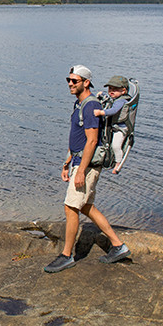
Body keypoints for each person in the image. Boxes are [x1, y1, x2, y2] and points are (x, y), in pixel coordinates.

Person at [44, 65, 131, 273]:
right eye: (69, 80)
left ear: (86, 82)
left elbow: (91, 141)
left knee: (71, 207)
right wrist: (66, 163)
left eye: (75, 81)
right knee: (85, 206)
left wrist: (81, 171)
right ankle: (118, 246)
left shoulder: (90, 106)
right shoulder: (79, 104)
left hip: (87, 165)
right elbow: (75, 138)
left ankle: (66, 256)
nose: (70, 84)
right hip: (77, 161)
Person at [94, 75, 131, 174]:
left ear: (123, 91)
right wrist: (103, 93)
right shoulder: (116, 97)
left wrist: (101, 112)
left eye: (115, 89)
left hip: (121, 128)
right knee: (109, 144)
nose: (111, 91)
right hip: (114, 126)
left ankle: (118, 163)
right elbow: (110, 98)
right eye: (110, 88)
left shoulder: (121, 100)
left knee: (115, 146)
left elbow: (114, 110)